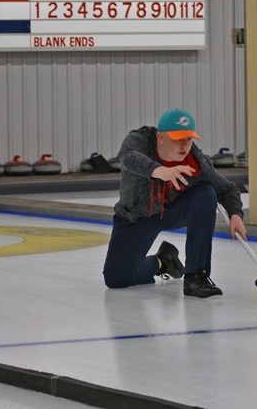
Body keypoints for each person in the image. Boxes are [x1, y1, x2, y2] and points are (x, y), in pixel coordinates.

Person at [103, 108, 247, 298]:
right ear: (160, 138)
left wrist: (236, 213)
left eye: (188, 139)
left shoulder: (197, 163)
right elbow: (128, 157)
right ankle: (163, 261)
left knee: (205, 194)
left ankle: (196, 276)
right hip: (136, 216)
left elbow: (227, 189)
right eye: (178, 138)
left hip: (174, 212)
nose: (184, 145)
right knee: (116, 279)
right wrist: (159, 170)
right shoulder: (141, 139)